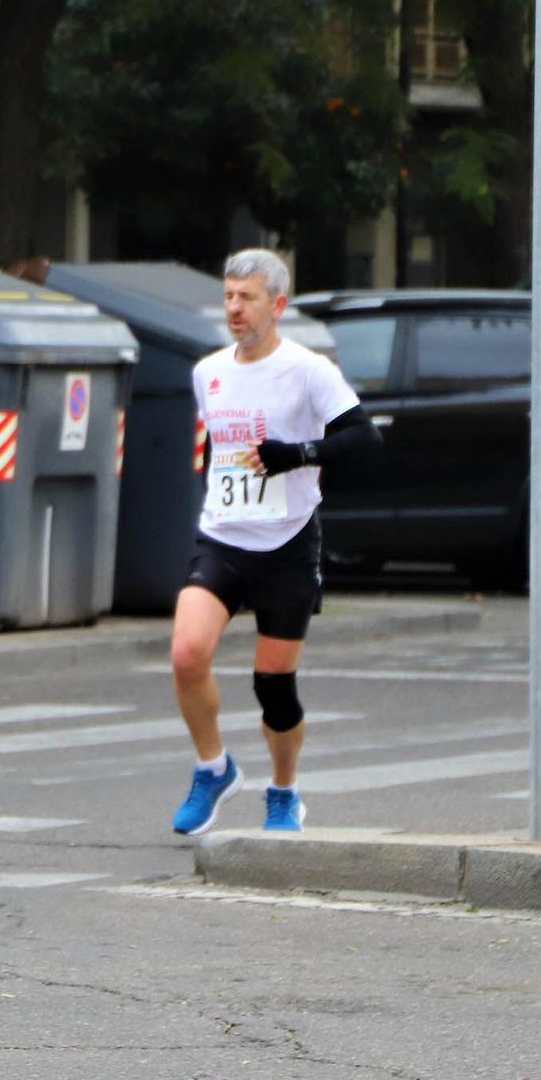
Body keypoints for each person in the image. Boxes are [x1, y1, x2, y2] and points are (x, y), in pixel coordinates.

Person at [170, 248, 381, 835]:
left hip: (288, 544)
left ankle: (284, 791)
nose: (234, 308)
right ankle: (213, 768)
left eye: (247, 298)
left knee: (274, 686)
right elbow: (221, 450)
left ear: (277, 305)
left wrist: (300, 456)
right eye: (229, 296)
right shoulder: (207, 371)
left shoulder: (308, 370)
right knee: (187, 653)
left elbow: (364, 441)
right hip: (222, 538)